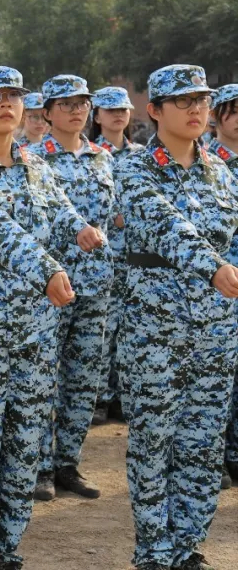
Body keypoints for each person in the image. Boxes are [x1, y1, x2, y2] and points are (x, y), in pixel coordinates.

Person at [0, 66, 101, 570]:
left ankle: (7, 547)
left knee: (24, 441)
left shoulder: (35, 165)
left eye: (14, 96)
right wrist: (50, 267)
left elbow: (58, 208)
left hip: (33, 328)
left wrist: (81, 230)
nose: (7, 103)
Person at [115, 65, 238, 570]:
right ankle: (153, 551)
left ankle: (187, 546)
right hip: (154, 331)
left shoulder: (221, 170)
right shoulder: (134, 169)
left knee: (203, 442)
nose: (195, 109)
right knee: (153, 441)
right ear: (155, 111)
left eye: (201, 100)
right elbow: (167, 225)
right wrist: (214, 266)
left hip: (216, 329)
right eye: (182, 101)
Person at [29, 75, 116, 502]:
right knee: (43, 376)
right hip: (49, 284)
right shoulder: (31, 159)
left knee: (83, 378)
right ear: (46, 113)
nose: (75, 110)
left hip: (95, 284)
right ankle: (39, 466)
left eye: (82, 103)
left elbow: (114, 217)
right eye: (64, 104)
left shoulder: (103, 157)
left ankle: (68, 464)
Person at [89, 86, 144, 426]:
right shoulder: (93, 154)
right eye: (110, 110)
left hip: (137, 255)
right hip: (103, 255)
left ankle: (123, 395)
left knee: (132, 326)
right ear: (97, 117)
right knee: (102, 329)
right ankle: (98, 396)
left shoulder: (141, 155)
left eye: (123, 109)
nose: (118, 115)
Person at [212, 84, 238, 488]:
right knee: (217, 375)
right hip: (217, 283)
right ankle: (213, 456)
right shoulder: (203, 163)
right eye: (234, 111)